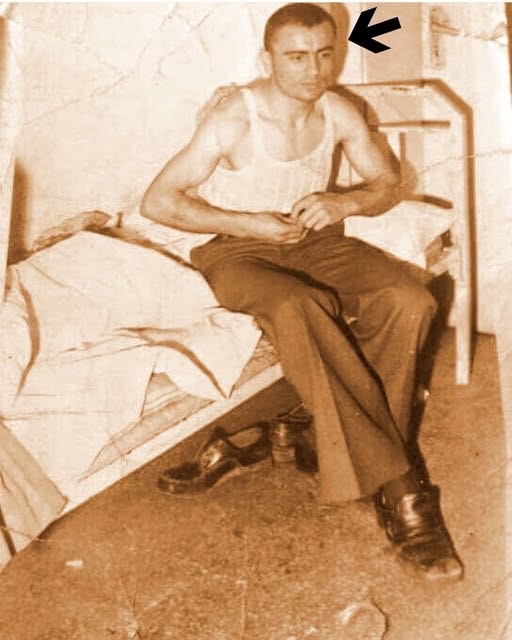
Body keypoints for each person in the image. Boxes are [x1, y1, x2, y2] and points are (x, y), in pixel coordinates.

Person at [141, 2, 463, 582]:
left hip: (316, 243)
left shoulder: (339, 111)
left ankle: (338, 441)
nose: (313, 70)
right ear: (266, 58)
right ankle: (400, 487)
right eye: (295, 57)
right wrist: (249, 223)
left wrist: (344, 202)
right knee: (297, 304)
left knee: (409, 299)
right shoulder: (234, 117)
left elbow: (387, 182)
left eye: (323, 54)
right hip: (236, 251)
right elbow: (159, 201)